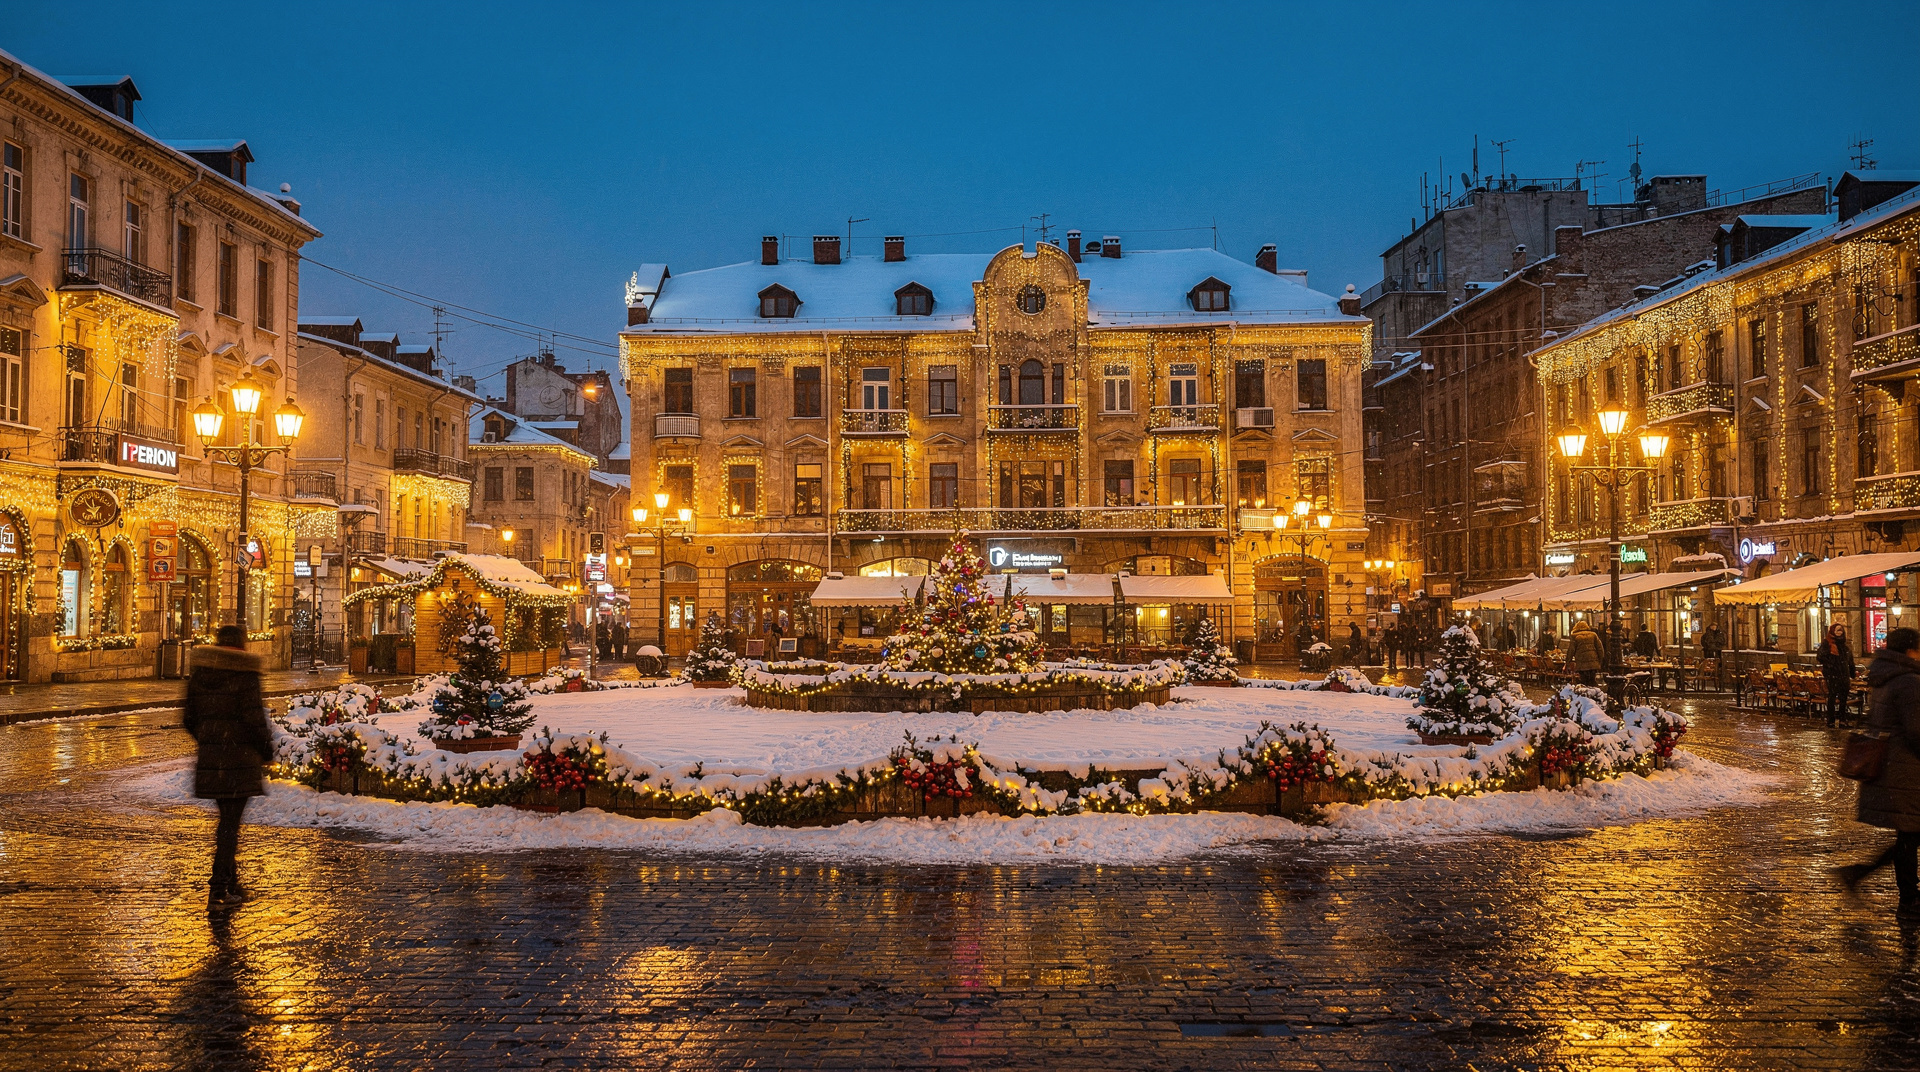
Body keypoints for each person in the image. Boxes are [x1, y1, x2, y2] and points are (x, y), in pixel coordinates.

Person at [182, 625, 272, 911]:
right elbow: (254, 718)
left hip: (214, 759)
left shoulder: (201, 674)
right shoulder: (245, 675)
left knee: (226, 822)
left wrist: (209, 740)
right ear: (242, 644)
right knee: (229, 827)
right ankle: (219, 889)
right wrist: (265, 751)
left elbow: (188, 718)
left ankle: (231, 883)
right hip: (239, 760)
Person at [1834, 626, 1920, 915]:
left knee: (1910, 835)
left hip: (1894, 768)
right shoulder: (1908, 680)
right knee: (1910, 836)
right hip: (1906, 770)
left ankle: (1861, 874)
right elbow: (1916, 731)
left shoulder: (1885, 677)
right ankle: (1908, 899)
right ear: (1910, 650)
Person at [1818, 622, 1856, 725]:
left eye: (1841, 630)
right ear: (1833, 631)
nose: (1839, 632)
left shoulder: (1845, 646)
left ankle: (1842, 720)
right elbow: (1820, 657)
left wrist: (1852, 673)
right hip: (1832, 674)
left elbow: (1850, 661)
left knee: (1843, 697)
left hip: (1844, 674)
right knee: (1832, 696)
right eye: (1837, 630)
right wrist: (1831, 665)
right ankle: (1831, 720)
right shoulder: (1827, 643)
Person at [1566, 619, 1605, 687]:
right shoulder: (1593, 635)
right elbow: (1600, 649)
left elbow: (1571, 650)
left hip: (1581, 663)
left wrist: (1567, 662)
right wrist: (1600, 660)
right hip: (1593, 663)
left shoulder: (1574, 636)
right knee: (1592, 680)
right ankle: (1594, 694)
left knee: (1584, 681)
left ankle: (1585, 694)